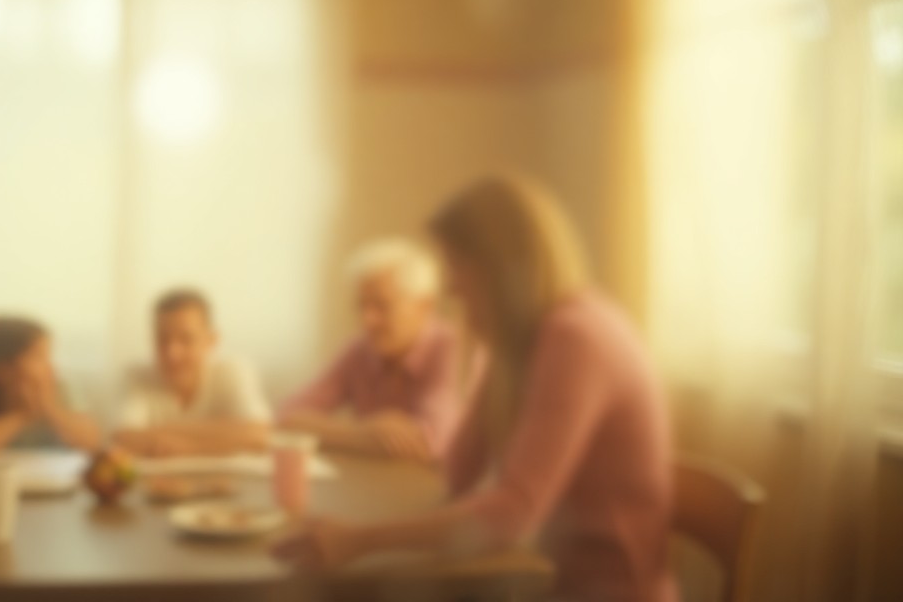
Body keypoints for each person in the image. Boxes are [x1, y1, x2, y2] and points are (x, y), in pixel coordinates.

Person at [271, 175, 678, 602]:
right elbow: (458, 472)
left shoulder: (576, 335)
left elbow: (514, 512)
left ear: (501, 269)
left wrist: (361, 541)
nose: (449, 288)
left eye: (456, 265)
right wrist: (495, 351)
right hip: (553, 581)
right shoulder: (530, 338)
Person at [278, 238, 478, 461]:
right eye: (362, 306)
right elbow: (286, 419)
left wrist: (333, 433)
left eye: (382, 306)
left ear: (424, 306)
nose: (367, 320)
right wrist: (362, 432)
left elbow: (433, 443)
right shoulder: (360, 349)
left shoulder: (455, 349)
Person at [114, 288, 272, 457]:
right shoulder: (135, 376)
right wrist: (227, 435)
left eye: (186, 339)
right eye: (163, 339)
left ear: (211, 340)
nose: (172, 353)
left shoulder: (233, 372)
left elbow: (259, 434)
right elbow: (122, 438)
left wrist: (176, 443)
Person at [0, 316, 101, 455]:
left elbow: (91, 442)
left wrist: (48, 408)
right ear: (4, 370)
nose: (50, 367)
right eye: (39, 357)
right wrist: (22, 415)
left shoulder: (62, 389)